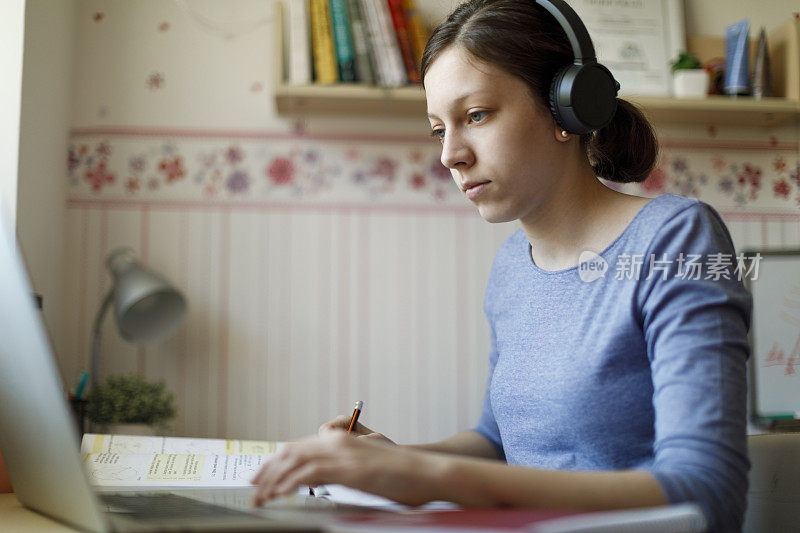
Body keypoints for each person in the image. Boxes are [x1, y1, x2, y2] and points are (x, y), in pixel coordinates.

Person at [251, 1, 751, 531]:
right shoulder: (515, 264)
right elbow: (496, 442)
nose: (450, 155)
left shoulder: (678, 239)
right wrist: (392, 461)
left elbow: (706, 490)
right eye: (438, 129)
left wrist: (433, 478)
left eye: (475, 116)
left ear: (566, 109)